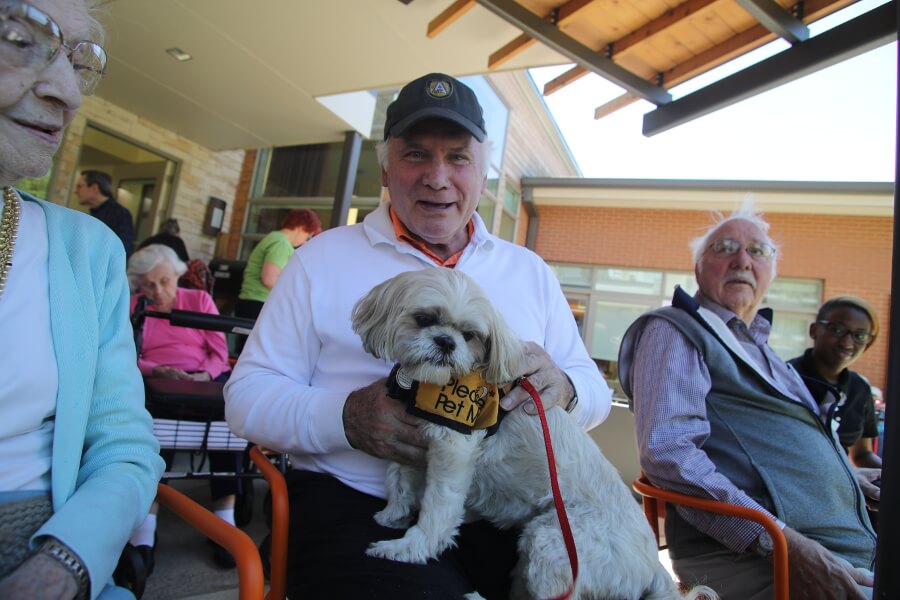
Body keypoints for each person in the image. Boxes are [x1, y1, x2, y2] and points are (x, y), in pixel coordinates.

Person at [225, 72, 612, 599]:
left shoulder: (531, 272)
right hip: (358, 501)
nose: (437, 176)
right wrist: (344, 419)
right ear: (385, 167)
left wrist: (564, 389)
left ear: (483, 171)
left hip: (508, 512)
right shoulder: (320, 259)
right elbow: (245, 399)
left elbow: (595, 394)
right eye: (415, 155)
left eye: (457, 157)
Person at [618, 207, 878, 599]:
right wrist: (785, 547)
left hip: (837, 543)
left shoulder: (762, 348)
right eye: (725, 248)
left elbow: (765, 452)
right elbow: (667, 451)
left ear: (771, 271)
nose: (742, 259)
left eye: (758, 250)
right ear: (698, 268)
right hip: (769, 558)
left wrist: (846, 477)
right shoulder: (676, 329)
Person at [0, 0, 164, 598]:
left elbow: (124, 444)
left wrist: (66, 564)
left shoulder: (87, 248)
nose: (69, 93)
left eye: (80, 61)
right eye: (21, 37)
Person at [126, 244, 239, 569]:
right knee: (155, 432)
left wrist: (205, 374)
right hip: (157, 384)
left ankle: (224, 521)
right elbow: (127, 353)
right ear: (138, 285)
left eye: (164, 281)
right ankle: (145, 530)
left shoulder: (198, 300)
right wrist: (156, 370)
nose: (158, 291)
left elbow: (219, 350)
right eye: (149, 284)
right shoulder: (135, 306)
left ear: (177, 274)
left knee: (227, 425)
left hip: (202, 382)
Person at [789, 297, 883, 471]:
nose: (847, 343)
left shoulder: (860, 388)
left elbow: (862, 455)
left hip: (843, 487)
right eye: (837, 330)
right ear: (814, 330)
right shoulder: (783, 379)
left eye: (860, 336)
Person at [233, 208, 321, 321]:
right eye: (308, 235)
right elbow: (269, 279)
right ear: (301, 227)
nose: (305, 241)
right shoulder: (281, 244)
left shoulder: (275, 237)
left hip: (251, 302)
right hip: (259, 303)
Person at [74, 169, 134, 255]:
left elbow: (122, 251)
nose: (75, 191)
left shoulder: (121, 214)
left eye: (79, 186)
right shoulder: (92, 214)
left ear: (95, 188)